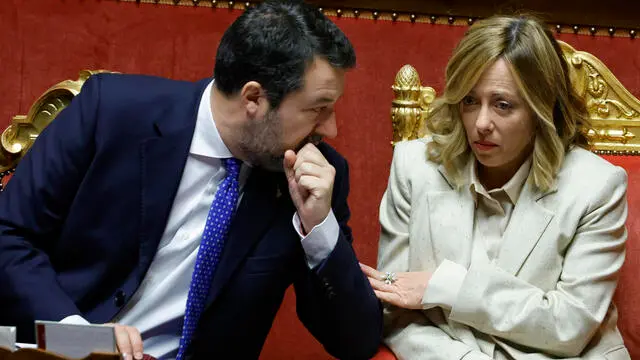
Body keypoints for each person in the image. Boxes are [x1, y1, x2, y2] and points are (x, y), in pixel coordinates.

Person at [0, 1, 383, 359]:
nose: (330, 129)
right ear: (254, 98)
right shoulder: (113, 113)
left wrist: (318, 228)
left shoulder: (313, 180)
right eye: (317, 109)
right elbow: (9, 235)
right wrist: (77, 338)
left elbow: (357, 342)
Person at [360, 15, 630, 359]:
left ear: (540, 109)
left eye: (503, 105)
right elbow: (395, 308)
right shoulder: (414, 166)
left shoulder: (596, 187)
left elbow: (568, 326)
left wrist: (449, 287)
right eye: (470, 101)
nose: (481, 123)